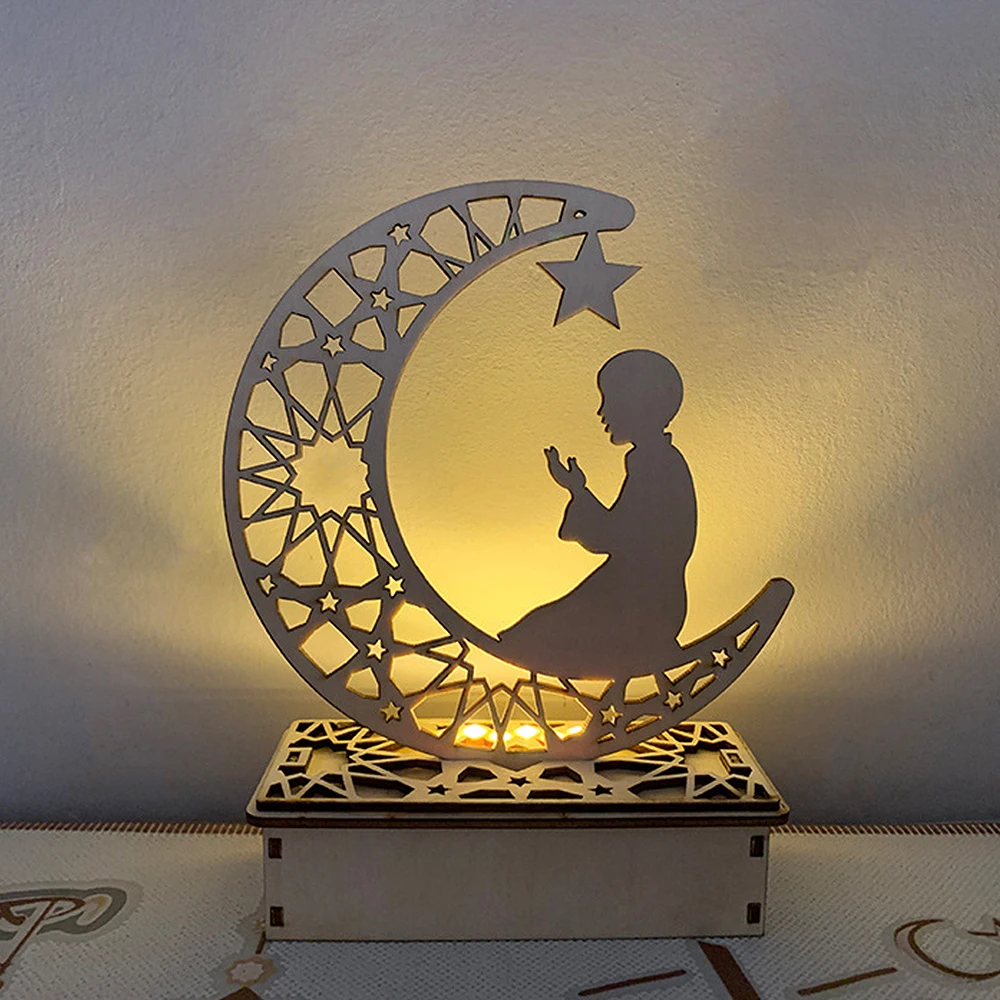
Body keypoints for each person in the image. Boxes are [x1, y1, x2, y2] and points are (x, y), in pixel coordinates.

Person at [497, 349, 696, 678]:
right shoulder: (653, 460)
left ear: (639, 405)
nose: (602, 412)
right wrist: (578, 489)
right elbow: (622, 533)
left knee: (535, 635)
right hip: (631, 594)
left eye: (611, 401)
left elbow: (616, 536)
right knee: (535, 630)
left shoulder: (657, 465)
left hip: (643, 605)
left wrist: (578, 492)